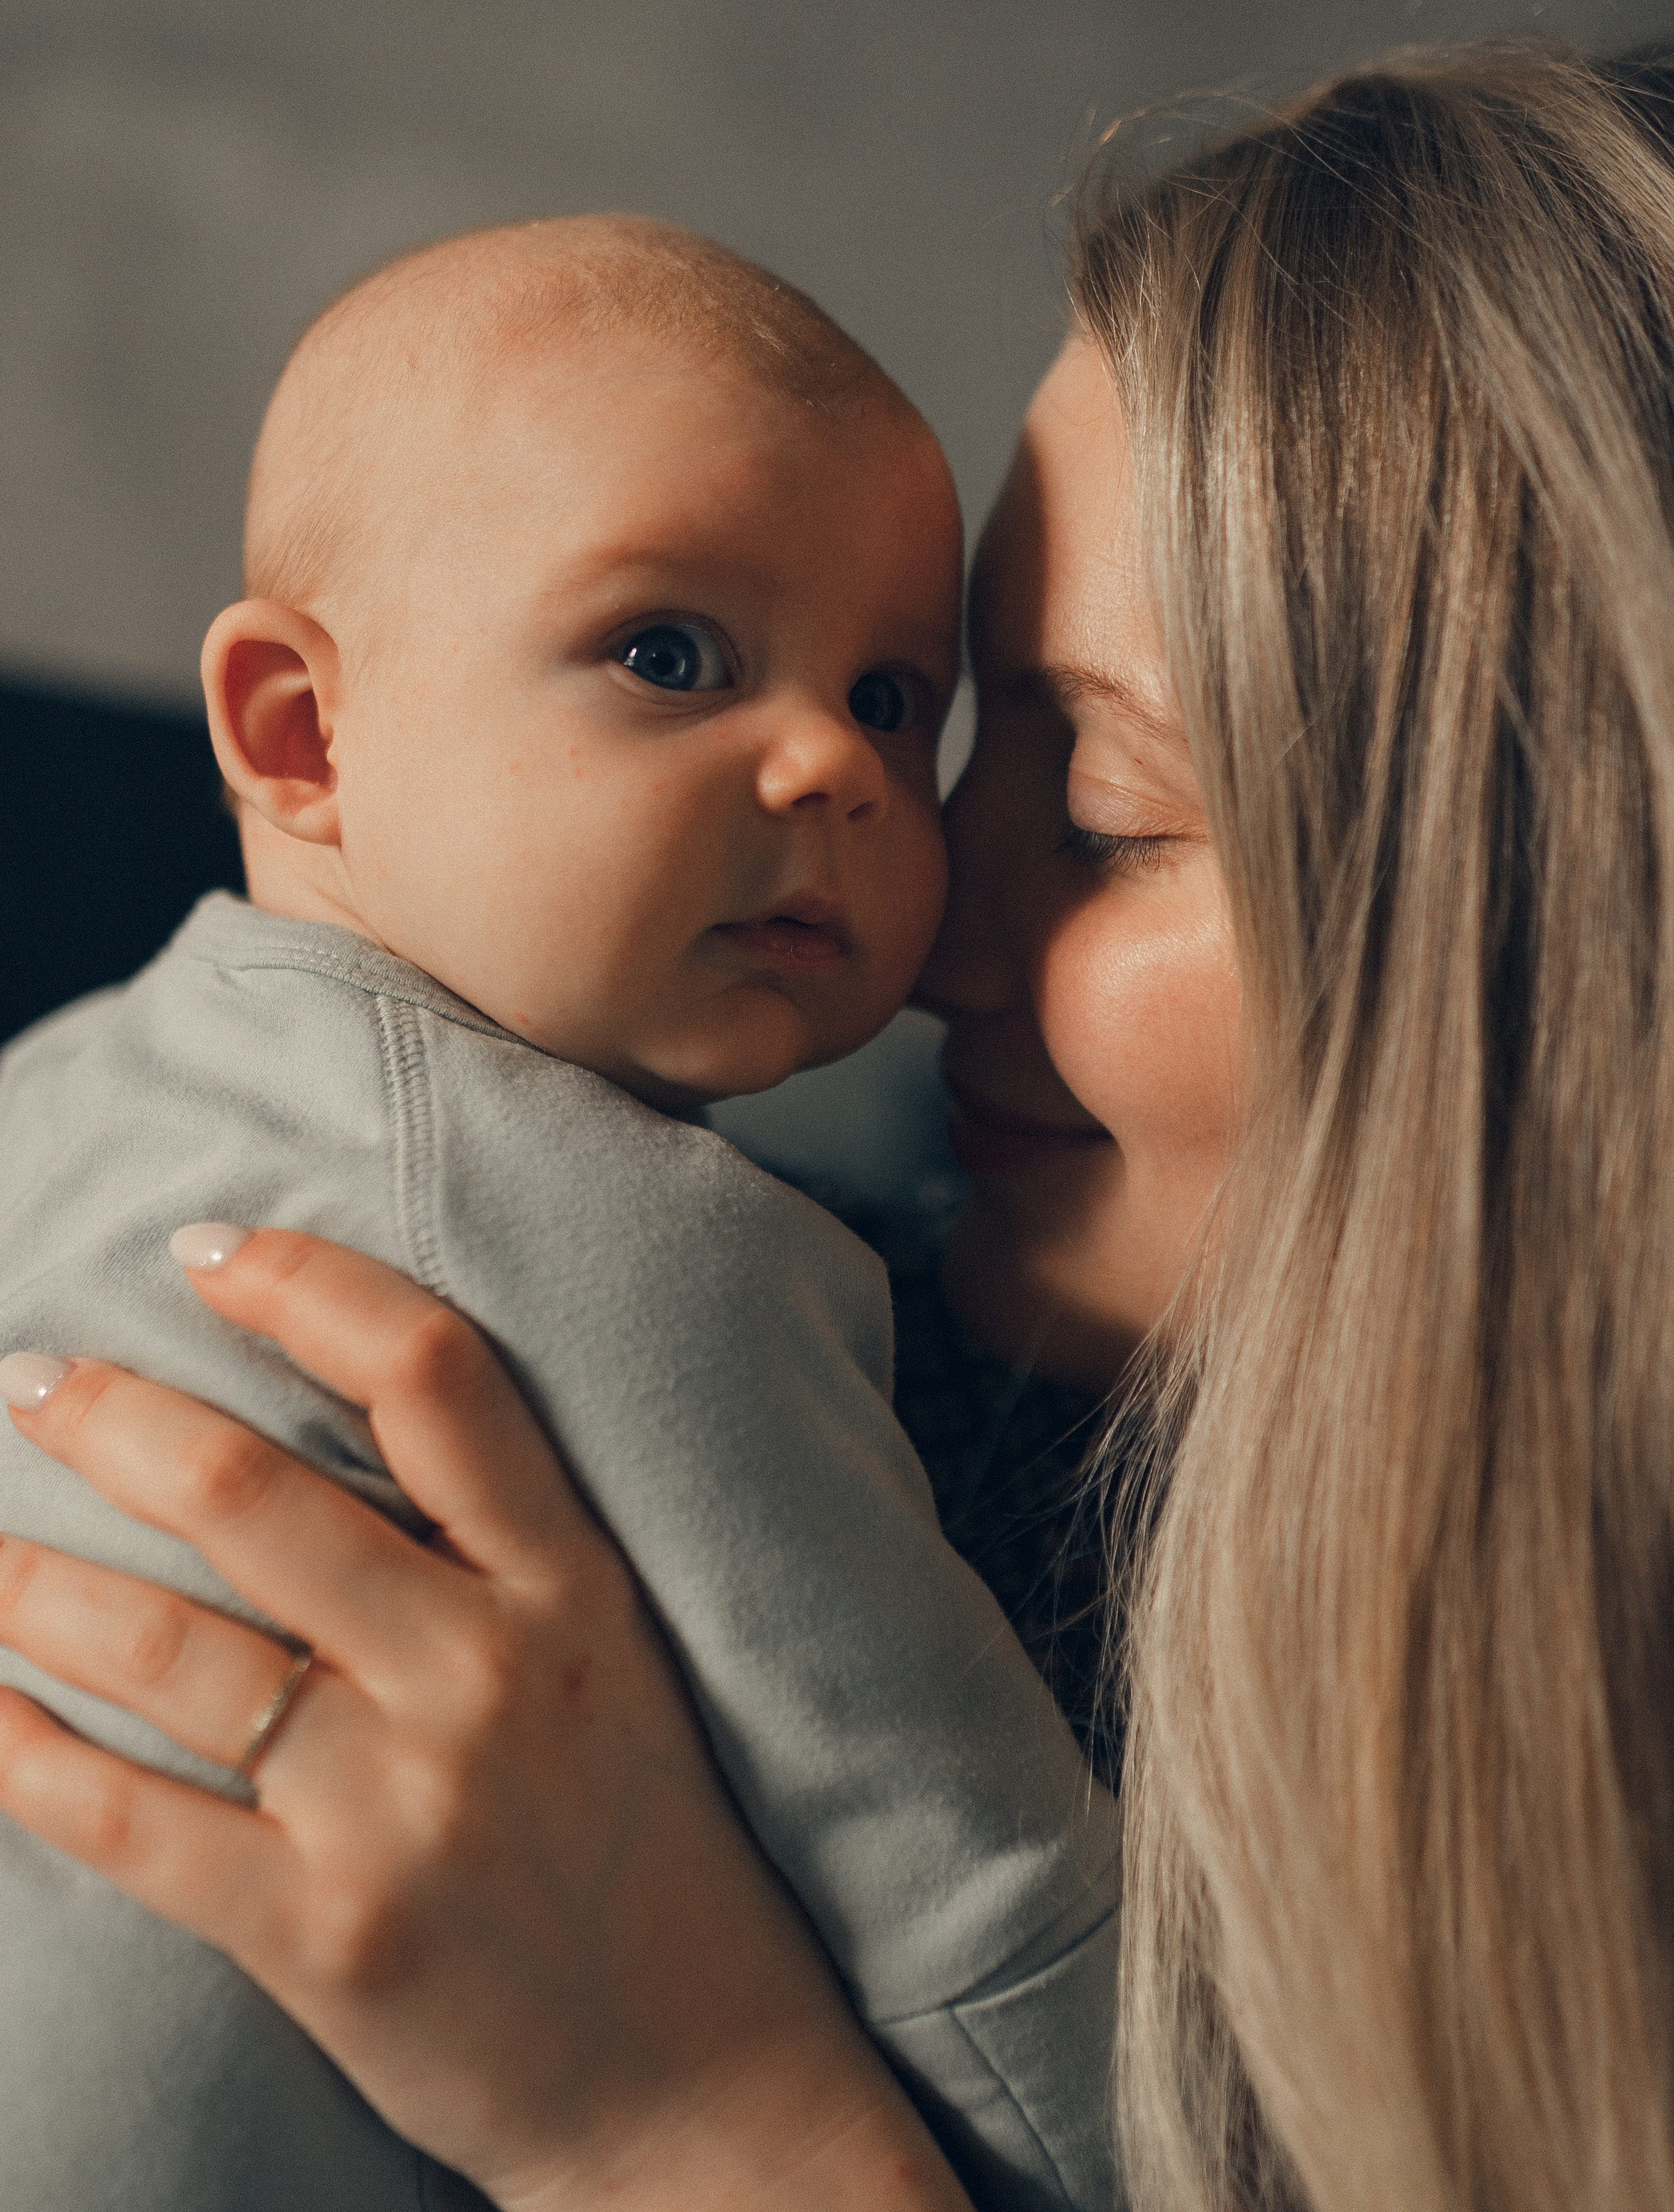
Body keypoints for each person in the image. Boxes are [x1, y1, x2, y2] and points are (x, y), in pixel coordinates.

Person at [3, 36, 1673, 2212]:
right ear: (298, 727)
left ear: (1575, 972)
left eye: (1088, 802)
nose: (918, 917)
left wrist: (698, 2125)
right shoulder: (845, 1314)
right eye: (679, 655)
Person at [0, 217, 1118, 2212]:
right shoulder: (645, 1230)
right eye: (670, 652)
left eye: (890, 694)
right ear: (297, 731)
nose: (833, 765)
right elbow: (938, 1832)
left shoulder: (68, 1075)